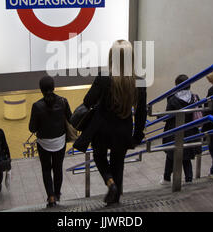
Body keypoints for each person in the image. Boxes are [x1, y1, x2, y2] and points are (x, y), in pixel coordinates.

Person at [80, 40, 147, 206]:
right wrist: (137, 135)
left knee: (99, 155)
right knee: (118, 163)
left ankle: (110, 183)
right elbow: (141, 113)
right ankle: (115, 202)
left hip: (102, 129)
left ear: (112, 56)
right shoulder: (139, 81)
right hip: (124, 130)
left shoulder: (104, 77)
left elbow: (87, 101)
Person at [29, 76, 72, 208]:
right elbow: (71, 119)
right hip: (60, 142)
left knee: (46, 170)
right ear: (54, 88)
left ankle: (51, 197)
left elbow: (32, 128)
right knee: (58, 168)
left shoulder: (36, 106)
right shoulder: (63, 101)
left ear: (41, 89)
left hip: (44, 144)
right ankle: (57, 193)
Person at [160, 74, 202, 185]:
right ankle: (189, 179)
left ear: (177, 85)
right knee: (186, 156)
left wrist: (159, 117)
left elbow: (168, 115)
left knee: (171, 155)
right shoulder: (195, 97)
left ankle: (166, 178)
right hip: (189, 131)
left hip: (174, 130)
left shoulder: (172, 98)